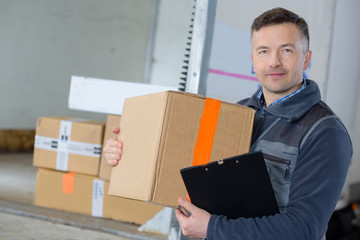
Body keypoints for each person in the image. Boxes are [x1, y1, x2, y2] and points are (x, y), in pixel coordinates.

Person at [104, 7, 353, 240]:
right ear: (252, 61)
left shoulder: (324, 132)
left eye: (287, 50)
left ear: (306, 59)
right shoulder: (238, 113)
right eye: (263, 51)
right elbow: (178, 166)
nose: (274, 61)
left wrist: (212, 228)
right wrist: (128, 150)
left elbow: (304, 229)